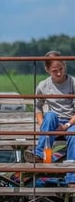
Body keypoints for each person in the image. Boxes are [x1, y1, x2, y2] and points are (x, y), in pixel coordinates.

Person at [28, 51, 75, 185]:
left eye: (61, 69)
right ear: (47, 70)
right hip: (53, 121)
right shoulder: (43, 85)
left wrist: (66, 126)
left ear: (64, 65)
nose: (59, 73)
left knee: (74, 135)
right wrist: (42, 123)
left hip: (71, 122)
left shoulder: (73, 83)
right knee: (50, 115)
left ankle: (72, 178)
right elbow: (38, 106)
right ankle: (38, 154)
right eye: (55, 71)